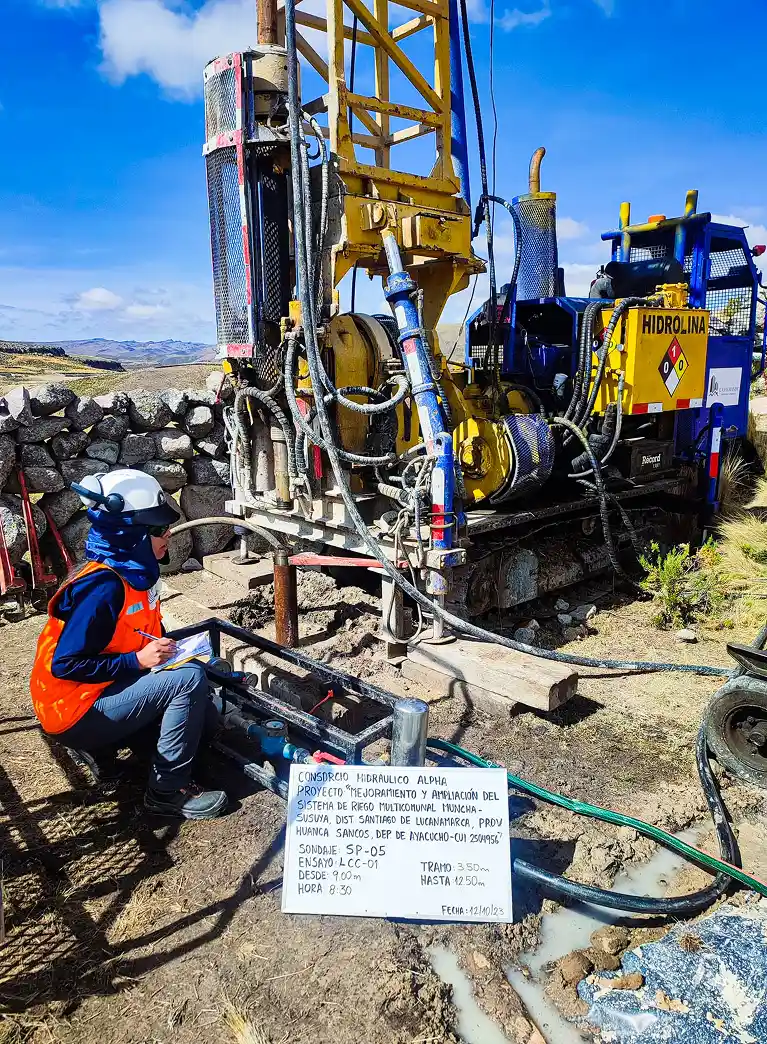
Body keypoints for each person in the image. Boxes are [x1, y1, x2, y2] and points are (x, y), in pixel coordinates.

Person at [30, 469, 228, 820]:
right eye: (158, 529)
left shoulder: (130, 572)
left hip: (95, 692)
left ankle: (105, 749)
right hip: (73, 710)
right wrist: (137, 661)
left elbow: (134, 631)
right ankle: (167, 791)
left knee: (207, 721)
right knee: (187, 682)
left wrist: (157, 654)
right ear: (131, 534)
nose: (169, 534)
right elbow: (65, 664)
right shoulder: (103, 588)